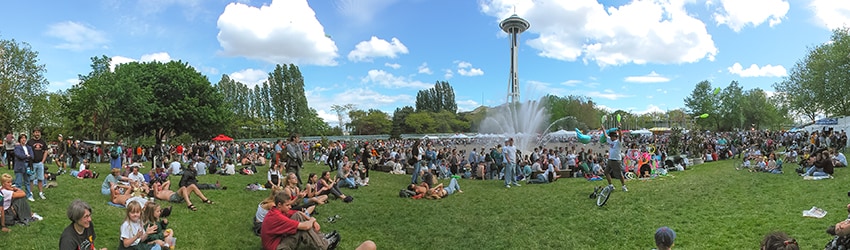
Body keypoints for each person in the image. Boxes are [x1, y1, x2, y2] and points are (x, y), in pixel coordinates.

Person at [261, 191, 377, 250]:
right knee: (301, 229)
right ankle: (323, 245)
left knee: (299, 217)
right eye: (288, 205)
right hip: (277, 247)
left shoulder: (277, 210)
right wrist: (312, 220)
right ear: (280, 205)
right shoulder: (276, 217)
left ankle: (321, 238)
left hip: (278, 240)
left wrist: (311, 219)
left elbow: (298, 213)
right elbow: (305, 227)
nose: (290, 207)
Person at [602, 127, 628, 192]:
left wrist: (619, 129)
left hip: (616, 160)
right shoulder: (611, 140)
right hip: (610, 159)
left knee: (619, 174)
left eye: (612, 136)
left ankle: (623, 186)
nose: (611, 137)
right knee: (606, 172)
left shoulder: (618, 142)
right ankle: (611, 186)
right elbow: (605, 135)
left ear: (615, 137)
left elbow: (620, 136)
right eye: (610, 136)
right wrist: (603, 128)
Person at [27, 127, 48, 200]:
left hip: (40, 163)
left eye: (38, 132)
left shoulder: (43, 142)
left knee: (40, 179)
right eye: (36, 132)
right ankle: (30, 193)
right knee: (31, 179)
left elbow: (46, 151)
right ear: (33, 133)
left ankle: (41, 193)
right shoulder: (30, 142)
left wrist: (43, 161)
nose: (37, 134)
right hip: (32, 163)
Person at [13, 133, 34, 201]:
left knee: (27, 181)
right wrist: (27, 156)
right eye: (22, 138)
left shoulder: (29, 147)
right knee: (18, 182)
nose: (24, 139)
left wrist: (27, 156)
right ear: (19, 139)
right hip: (19, 166)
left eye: (25, 138)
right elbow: (19, 155)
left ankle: (29, 195)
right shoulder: (17, 147)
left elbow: (32, 156)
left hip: (27, 165)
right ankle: (19, 196)